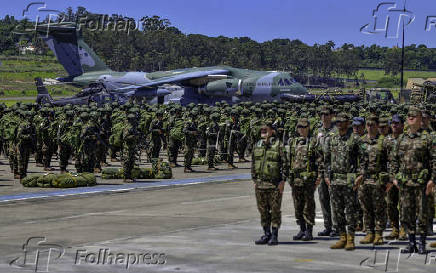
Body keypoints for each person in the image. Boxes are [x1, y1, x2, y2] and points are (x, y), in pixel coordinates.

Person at [391, 106, 435, 254]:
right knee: (406, 213)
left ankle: (422, 244)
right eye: (409, 115)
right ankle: (411, 243)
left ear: (420, 119)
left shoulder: (427, 138)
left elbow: (434, 160)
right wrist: (394, 178)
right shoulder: (401, 139)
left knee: (422, 214)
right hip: (405, 184)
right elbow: (394, 160)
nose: (410, 117)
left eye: (414, 115)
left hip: (421, 184)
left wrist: (432, 180)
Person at [323, 112, 362, 251]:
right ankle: (342, 237)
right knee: (337, 210)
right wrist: (326, 175)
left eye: (342, 121)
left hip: (350, 177)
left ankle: (351, 238)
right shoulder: (331, 138)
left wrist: (360, 176)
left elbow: (363, 160)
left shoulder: (355, 139)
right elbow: (326, 159)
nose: (339, 123)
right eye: (337, 121)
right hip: (335, 178)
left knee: (350, 210)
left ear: (348, 123)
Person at [252, 120, 288, 246]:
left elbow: (285, 165)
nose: (263, 131)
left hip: (274, 185)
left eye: (266, 129)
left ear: (272, 131)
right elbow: (253, 164)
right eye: (262, 129)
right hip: (260, 184)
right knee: (263, 211)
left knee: (275, 211)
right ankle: (266, 234)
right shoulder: (257, 145)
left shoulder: (279, 146)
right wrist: (255, 180)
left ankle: (274, 235)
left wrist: (282, 181)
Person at [357, 114, 389, 245]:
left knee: (379, 208)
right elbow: (356, 161)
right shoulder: (361, 141)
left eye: (372, 125)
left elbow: (391, 162)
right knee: (366, 208)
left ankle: (379, 234)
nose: (370, 127)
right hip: (364, 181)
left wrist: (390, 180)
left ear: (377, 126)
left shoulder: (384, 141)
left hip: (378, 181)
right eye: (368, 125)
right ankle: (369, 233)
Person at [289, 118, 317, 241]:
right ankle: (302, 229)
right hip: (296, 180)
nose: (301, 129)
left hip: (308, 180)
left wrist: (318, 177)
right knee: (297, 206)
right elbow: (289, 159)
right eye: (299, 127)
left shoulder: (313, 142)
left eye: (304, 127)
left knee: (308, 206)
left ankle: (309, 231)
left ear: (308, 128)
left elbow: (319, 160)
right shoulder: (293, 142)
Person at [314, 106, 336, 237]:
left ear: (331, 115)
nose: (323, 116)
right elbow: (316, 150)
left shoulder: (336, 131)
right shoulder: (319, 131)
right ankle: (327, 226)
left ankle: (336, 226)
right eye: (321, 114)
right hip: (321, 170)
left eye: (326, 114)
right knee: (323, 198)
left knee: (334, 200)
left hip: (333, 170)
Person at [383, 114, 406, 240]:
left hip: (403, 178)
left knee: (404, 205)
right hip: (391, 179)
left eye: (397, 123)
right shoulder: (387, 140)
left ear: (403, 125)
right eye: (392, 123)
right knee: (391, 205)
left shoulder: (407, 140)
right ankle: (395, 229)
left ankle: (403, 229)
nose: (394, 125)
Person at [121, 114, 139, 182]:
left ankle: (130, 175)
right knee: (127, 161)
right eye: (133, 119)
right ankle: (126, 177)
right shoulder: (127, 127)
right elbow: (125, 137)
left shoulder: (133, 127)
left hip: (132, 147)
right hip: (127, 148)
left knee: (132, 161)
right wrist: (133, 137)